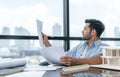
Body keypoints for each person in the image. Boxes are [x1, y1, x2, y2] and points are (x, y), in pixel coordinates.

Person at [42, 19, 108, 66]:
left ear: (93, 32)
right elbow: (64, 56)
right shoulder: (80, 46)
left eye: (85, 29)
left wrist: (76, 61)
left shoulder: (105, 48)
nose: (82, 31)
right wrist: (47, 43)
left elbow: (102, 58)